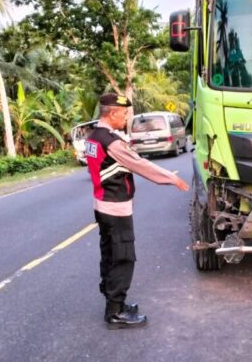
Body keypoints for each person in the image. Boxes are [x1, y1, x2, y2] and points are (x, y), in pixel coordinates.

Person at [85, 93, 189, 329]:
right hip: (115, 206)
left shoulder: (93, 137)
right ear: (112, 113)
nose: (125, 118)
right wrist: (170, 179)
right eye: (123, 114)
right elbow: (139, 164)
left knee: (110, 254)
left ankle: (115, 303)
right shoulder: (110, 141)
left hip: (103, 204)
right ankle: (115, 312)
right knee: (123, 256)